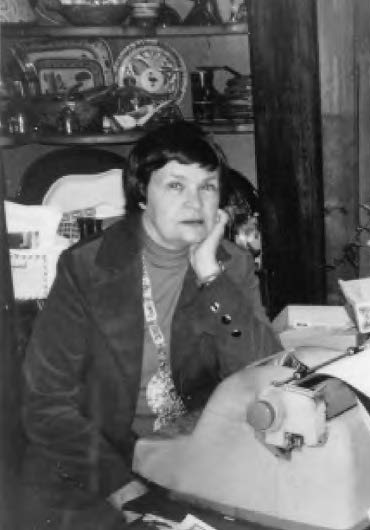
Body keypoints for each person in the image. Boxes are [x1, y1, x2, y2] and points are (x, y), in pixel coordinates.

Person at [19, 120, 283, 529]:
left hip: (194, 457)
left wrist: (211, 275)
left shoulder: (232, 265)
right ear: (143, 193)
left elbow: (263, 374)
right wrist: (121, 487)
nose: (195, 203)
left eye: (208, 187)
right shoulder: (86, 268)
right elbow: (45, 402)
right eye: (175, 185)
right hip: (101, 465)